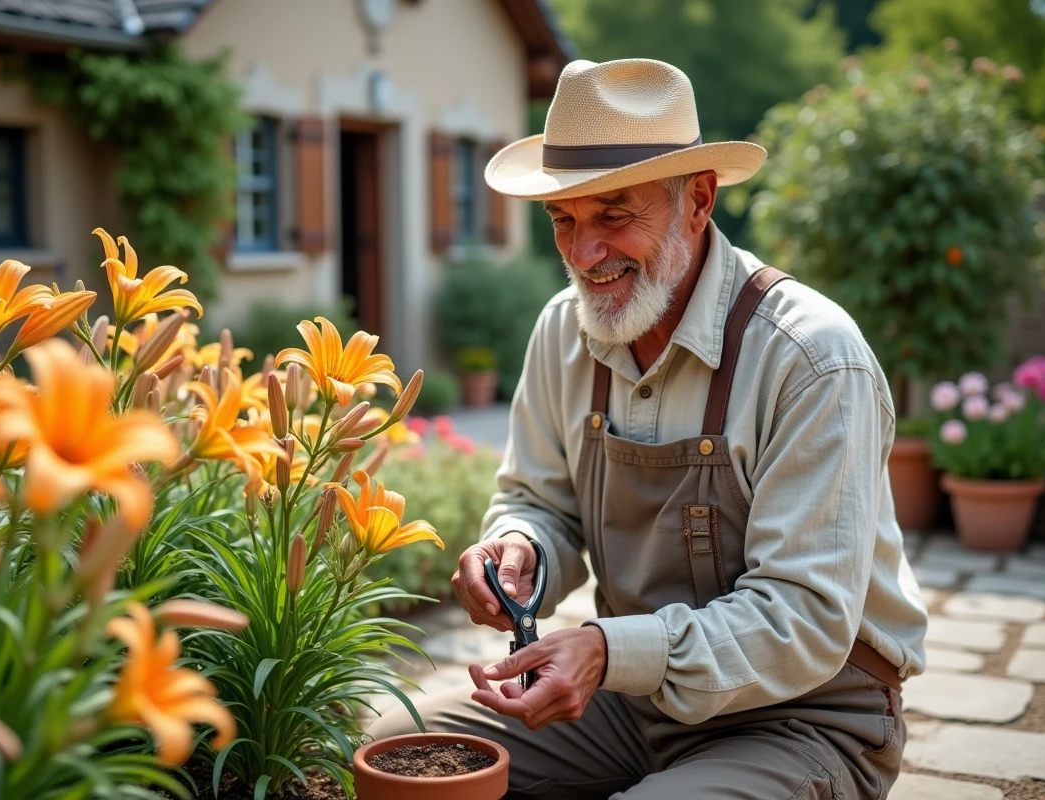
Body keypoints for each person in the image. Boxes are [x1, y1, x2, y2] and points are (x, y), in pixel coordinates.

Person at [367, 58, 928, 799]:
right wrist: (519, 548)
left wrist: (607, 650)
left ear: (698, 200)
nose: (582, 254)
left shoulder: (813, 358)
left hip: (806, 717)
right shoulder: (563, 330)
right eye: (563, 219)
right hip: (634, 705)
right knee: (390, 759)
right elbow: (539, 499)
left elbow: (805, 619)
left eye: (614, 215)